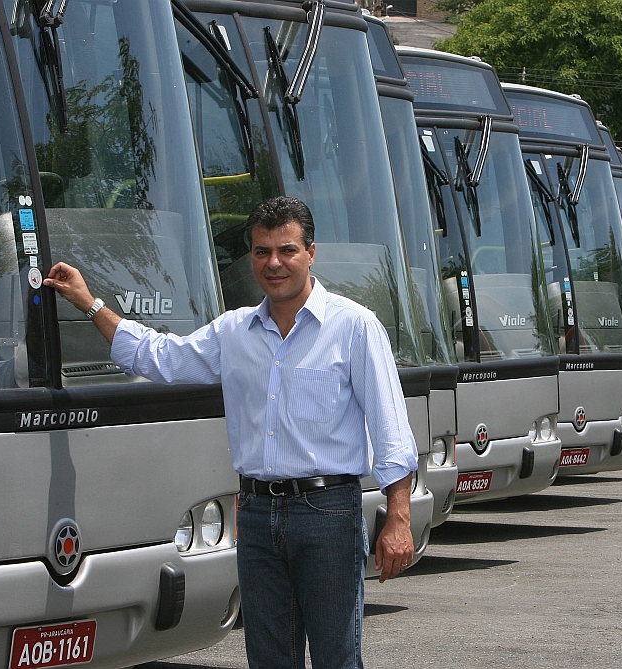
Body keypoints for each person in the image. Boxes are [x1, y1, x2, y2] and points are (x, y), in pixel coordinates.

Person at [43, 196, 416, 669]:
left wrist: (398, 519)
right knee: (268, 659)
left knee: (336, 658)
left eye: (287, 250)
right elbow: (161, 357)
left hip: (327, 515)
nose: (274, 263)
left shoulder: (354, 326)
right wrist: (90, 303)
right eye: (262, 252)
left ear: (311, 253)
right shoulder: (235, 331)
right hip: (257, 515)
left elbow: (391, 429)